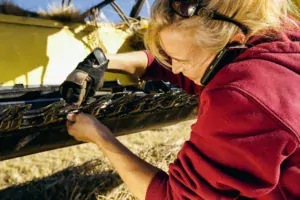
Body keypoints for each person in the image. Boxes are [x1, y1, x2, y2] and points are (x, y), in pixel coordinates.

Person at [60, 0, 300, 199]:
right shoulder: (277, 39)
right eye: (169, 56)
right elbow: (192, 66)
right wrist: (105, 61)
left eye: (181, 61)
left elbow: (170, 197)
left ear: (233, 43)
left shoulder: (243, 100)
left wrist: (100, 137)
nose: (173, 67)